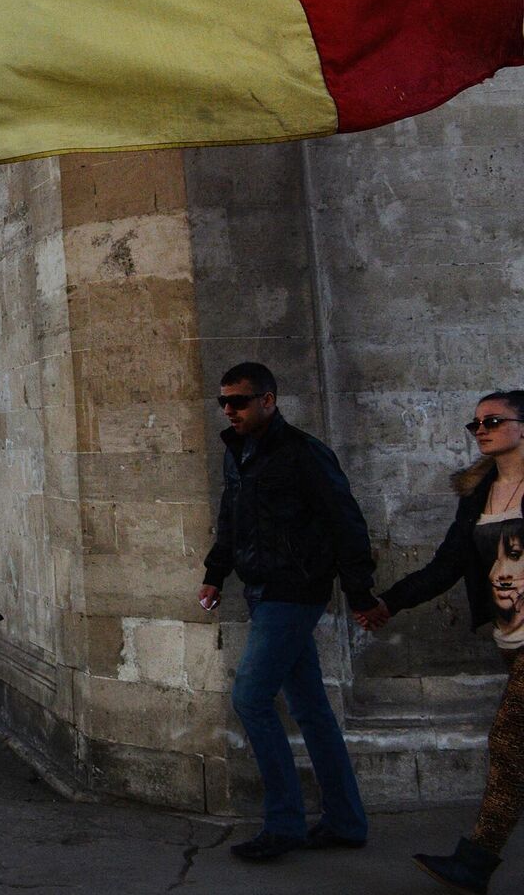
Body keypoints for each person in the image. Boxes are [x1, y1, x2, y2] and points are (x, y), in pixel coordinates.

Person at [199, 362, 378, 862]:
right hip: (261, 592)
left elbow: (347, 522)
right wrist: (217, 573)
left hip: (294, 592)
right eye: (224, 402)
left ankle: (283, 824)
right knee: (309, 708)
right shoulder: (239, 453)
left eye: (239, 401)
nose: (229, 410)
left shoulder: (303, 453)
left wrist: (360, 594)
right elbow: (230, 520)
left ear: (269, 400)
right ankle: (345, 820)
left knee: (251, 698)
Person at [357, 390, 524, 894]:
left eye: (492, 420)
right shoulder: (480, 495)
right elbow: (448, 565)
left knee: (509, 742)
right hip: (511, 638)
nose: (480, 430)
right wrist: (389, 601)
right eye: (474, 424)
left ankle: (476, 861)